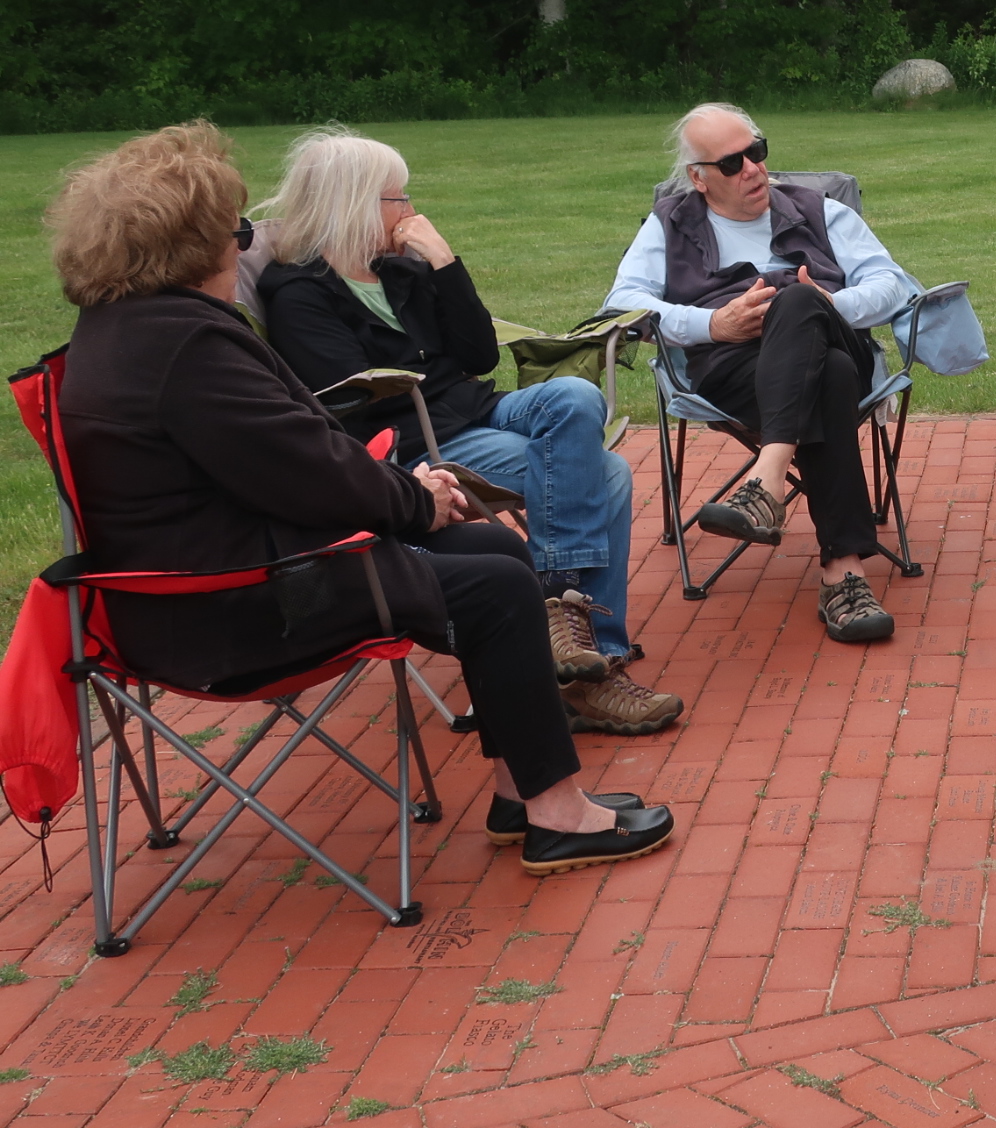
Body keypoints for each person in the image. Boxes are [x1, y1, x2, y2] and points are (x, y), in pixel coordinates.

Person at [47, 123, 672, 874]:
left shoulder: (128, 330)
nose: (244, 246)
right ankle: (558, 813)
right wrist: (415, 501)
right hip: (235, 607)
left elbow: (292, 456)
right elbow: (307, 467)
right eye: (238, 231)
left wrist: (411, 497)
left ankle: (525, 793)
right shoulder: (190, 346)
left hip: (196, 584)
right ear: (194, 246)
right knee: (497, 583)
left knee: (494, 548)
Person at [255, 129, 683, 738]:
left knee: (576, 395)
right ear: (353, 204)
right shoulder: (299, 293)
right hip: (416, 439)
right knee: (608, 473)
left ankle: (563, 623)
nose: (409, 212)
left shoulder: (397, 271)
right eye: (397, 200)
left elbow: (479, 355)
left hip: (471, 408)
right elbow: (350, 396)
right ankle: (593, 662)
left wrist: (444, 261)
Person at [604, 103, 914, 645]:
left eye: (757, 152)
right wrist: (712, 323)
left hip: (834, 335)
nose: (752, 169)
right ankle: (844, 577)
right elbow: (623, 303)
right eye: (731, 163)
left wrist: (829, 305)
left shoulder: (820, 211)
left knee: (798, 301)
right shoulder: (670, 224)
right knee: (831, 376)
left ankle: (766, 480)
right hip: (734, 370)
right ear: (698, 179)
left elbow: (891, 283)